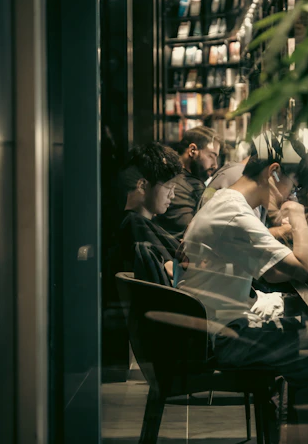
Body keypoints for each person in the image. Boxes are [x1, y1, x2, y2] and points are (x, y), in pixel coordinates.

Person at [174, 130, 308, 437]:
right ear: (274, 173)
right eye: (293, 186)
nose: (290, 195)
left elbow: (273, 273)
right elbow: (303, 270)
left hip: (214, 329)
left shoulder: (226, 201)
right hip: (222, 339)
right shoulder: (234, 212)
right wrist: (298, 219)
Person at [118, 142, 182, 280]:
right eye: (168, 187)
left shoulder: (145, 223)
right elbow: (172, 270)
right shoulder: (135, 224)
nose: (172, 195)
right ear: (142, 185)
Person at [154, 126, 222, 239]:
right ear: (192, 150)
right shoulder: (184, 184)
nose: (215, 165)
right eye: (211, 156)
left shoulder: (171, 177)